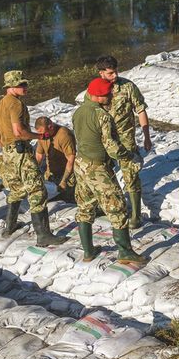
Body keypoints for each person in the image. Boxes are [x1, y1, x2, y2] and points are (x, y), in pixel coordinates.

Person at [69, 77, 148, 264]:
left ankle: (88, 251)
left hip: (81, 164)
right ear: (97, 96)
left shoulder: (78, 112)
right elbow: (111, 146)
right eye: (107, 95)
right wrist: (129, 156)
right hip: (97, 169)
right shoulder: (102, 115)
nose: (111, 97)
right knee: (117, 207)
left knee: (85, 206)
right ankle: (125, 252)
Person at [0, 70, 63, 246]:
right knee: (37, 190)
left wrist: (7, 149)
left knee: (17, 189)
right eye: (22, 84)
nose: (25, 87)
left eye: (25, 84)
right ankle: (43, 235)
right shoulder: (15, 104)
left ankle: (10, 226)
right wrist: (39, 137)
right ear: (12, 87)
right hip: (20, 152)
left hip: (7, 154)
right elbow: (19, 132)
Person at [96, 55, 152, 228]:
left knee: (131, 175)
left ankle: (136, 215)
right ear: (101, 73)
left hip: (125, 139)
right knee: (104, 175)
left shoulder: (127, 87)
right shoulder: (96, 89)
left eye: (116, 71)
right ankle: (111, 207)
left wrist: (146, 135)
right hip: (104, 139)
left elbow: (140, 110)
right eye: (110, 73)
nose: (115, 76)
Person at [35, 115, 77, 202]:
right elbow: (39, 155)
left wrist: (64, 181)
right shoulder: (43, 136)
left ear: (50, 127)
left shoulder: (64, 135)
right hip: (51, 174)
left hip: (65, 174)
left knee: (68, 201)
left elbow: (71, 159)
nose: (42, 136)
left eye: (44, 133)